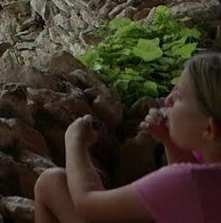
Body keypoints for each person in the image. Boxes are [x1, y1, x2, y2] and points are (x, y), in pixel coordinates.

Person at [33, 52, 221, 223]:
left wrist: (74, 141)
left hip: (90, 203)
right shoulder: (208, 167)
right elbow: (189, 203)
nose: (168, 101)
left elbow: (88, 205)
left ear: (209, 129)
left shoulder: (186, 181)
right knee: (53, 181)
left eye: (178, 97)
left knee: (48, 184)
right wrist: (170, 142)